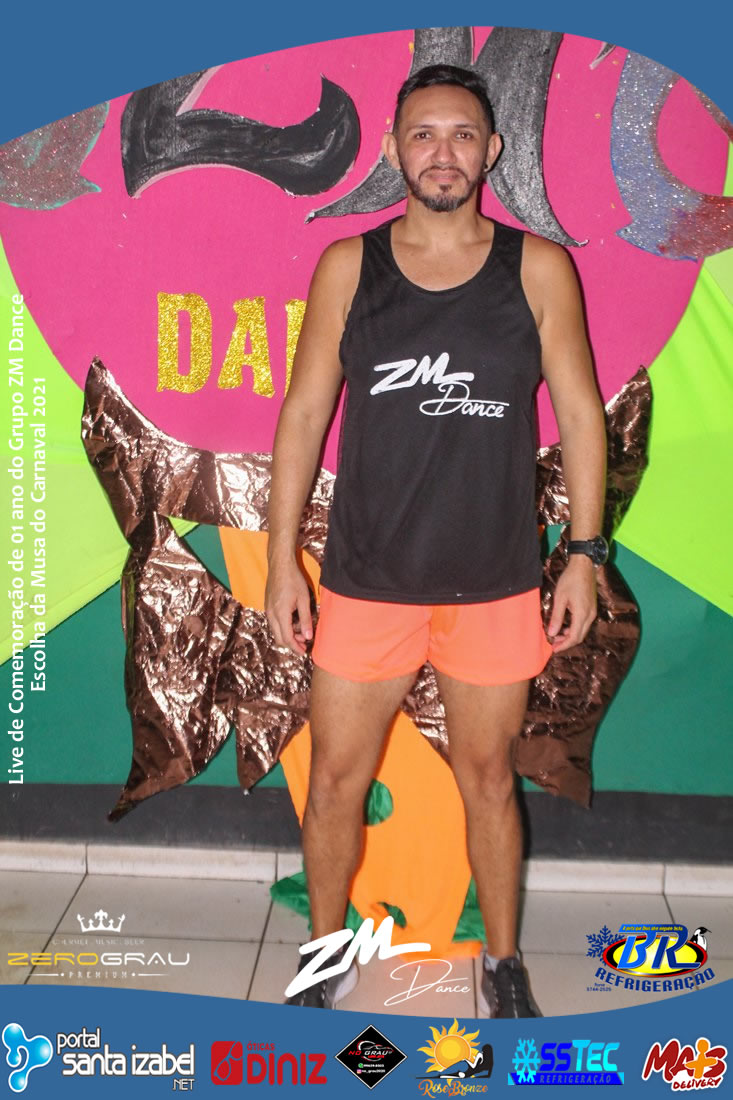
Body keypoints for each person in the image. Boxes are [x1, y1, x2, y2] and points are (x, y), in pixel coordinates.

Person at [265, 63, 607, 1016]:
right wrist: (281, 558)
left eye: (461, 134)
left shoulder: (537, 268)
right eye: (423, 134)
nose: (442, 151)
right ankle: (324, 953)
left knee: (488, 781)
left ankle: (501, 964)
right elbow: (302, 416)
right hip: (365, 579)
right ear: (393, 149)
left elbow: (581, 416)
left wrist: (584, 555)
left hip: (494, 582)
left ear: (491, 150)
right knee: (334, 782)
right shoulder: (349, 266)